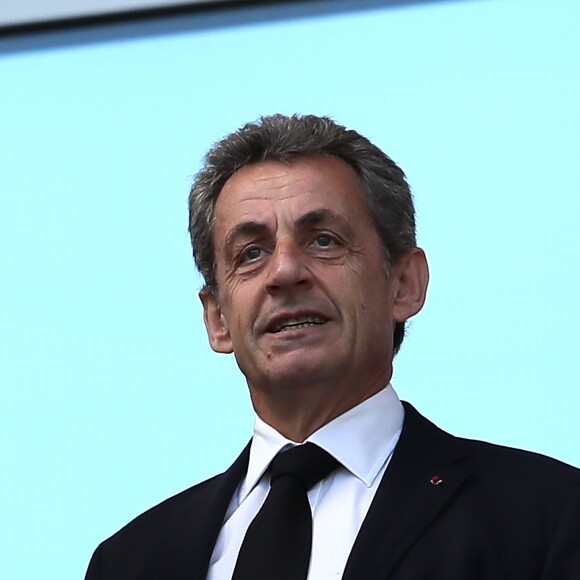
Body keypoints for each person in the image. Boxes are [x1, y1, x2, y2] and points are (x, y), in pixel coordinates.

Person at [85, 114, 580, 579]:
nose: (284, 272)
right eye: (251, 253)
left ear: (404, 284)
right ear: (217, 318)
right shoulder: (131, 560)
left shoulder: (548, 514)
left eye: (323, 241)